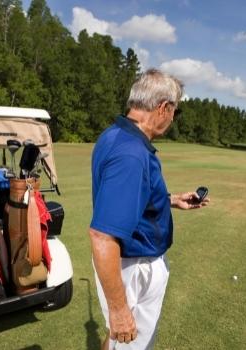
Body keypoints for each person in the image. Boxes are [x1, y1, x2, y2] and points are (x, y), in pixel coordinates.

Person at [88, 68, 209, 350]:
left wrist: (171, 200)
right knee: (130, 344)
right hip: (133, 266)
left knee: (118, 344)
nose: (173, 119)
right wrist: (119, 310)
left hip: (132, 264)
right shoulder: (131, 153)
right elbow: (102, 236)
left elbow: (128, 199)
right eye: (175, 112)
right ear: (163, 108)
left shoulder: (117, 136)